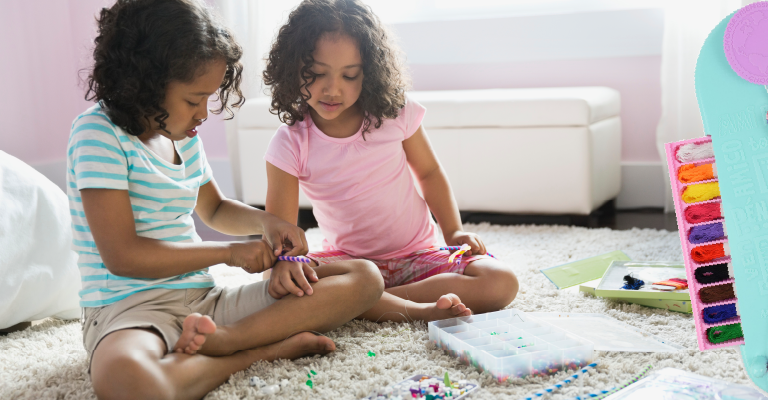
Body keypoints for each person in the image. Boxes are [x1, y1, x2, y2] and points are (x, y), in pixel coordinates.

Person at [70, 1, 382, 398]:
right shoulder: (98, 134)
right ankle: (260, 351)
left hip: (205, 301)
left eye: (208, 98)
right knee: (128, 384)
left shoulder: (182, 135)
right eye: (192, 100)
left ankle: (229, 338)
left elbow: (214, 208)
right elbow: (123, 256)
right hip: (128, 311)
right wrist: (229, 254)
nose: (203, 114)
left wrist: (267, 224)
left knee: (364, 278)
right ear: (144, 82)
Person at [262, 0, 519, 323]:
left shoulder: (394, 112)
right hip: (350, 264)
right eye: (315, 74)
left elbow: (429, 172)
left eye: (349, 75)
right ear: (292, 69)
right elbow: (281, 232)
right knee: (276, 283)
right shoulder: (290, 142)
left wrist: (453, 232)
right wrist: (287, 264)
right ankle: (385, 302)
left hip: (417, 258)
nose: (332, 88)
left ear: (368, 72)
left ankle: (366, 302)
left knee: (501, 281)